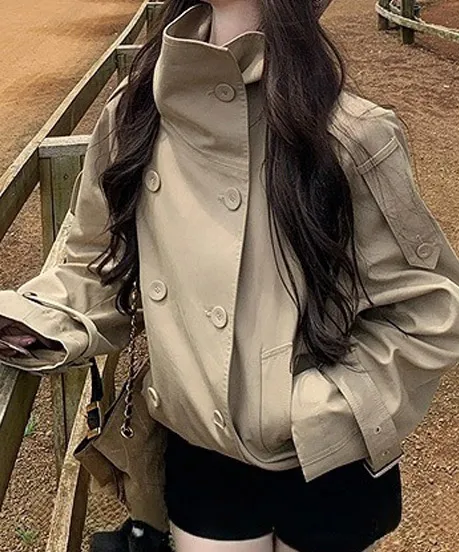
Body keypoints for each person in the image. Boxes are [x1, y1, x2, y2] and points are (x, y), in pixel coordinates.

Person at [1, 0, 459, 551]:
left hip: (328, 452)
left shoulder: (351, 135)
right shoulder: (134, 114)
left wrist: (315, 409)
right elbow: (95, 263)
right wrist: (32, 317)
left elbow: (427, 310)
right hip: (202, 450)